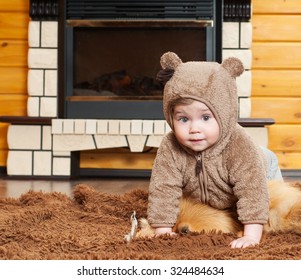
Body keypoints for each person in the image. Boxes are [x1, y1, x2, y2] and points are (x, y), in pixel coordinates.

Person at [147, 52, 283, 249]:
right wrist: (163, 230)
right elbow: (163, 189)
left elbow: (252, 192)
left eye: (205, 118)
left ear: (223, 115)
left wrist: (251, 235)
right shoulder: (170, 147)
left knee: (274, 210)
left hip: (262, 168)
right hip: (215, 192)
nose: (194, 129)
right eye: (183, 119)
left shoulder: (239, 146)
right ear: (171, 117)